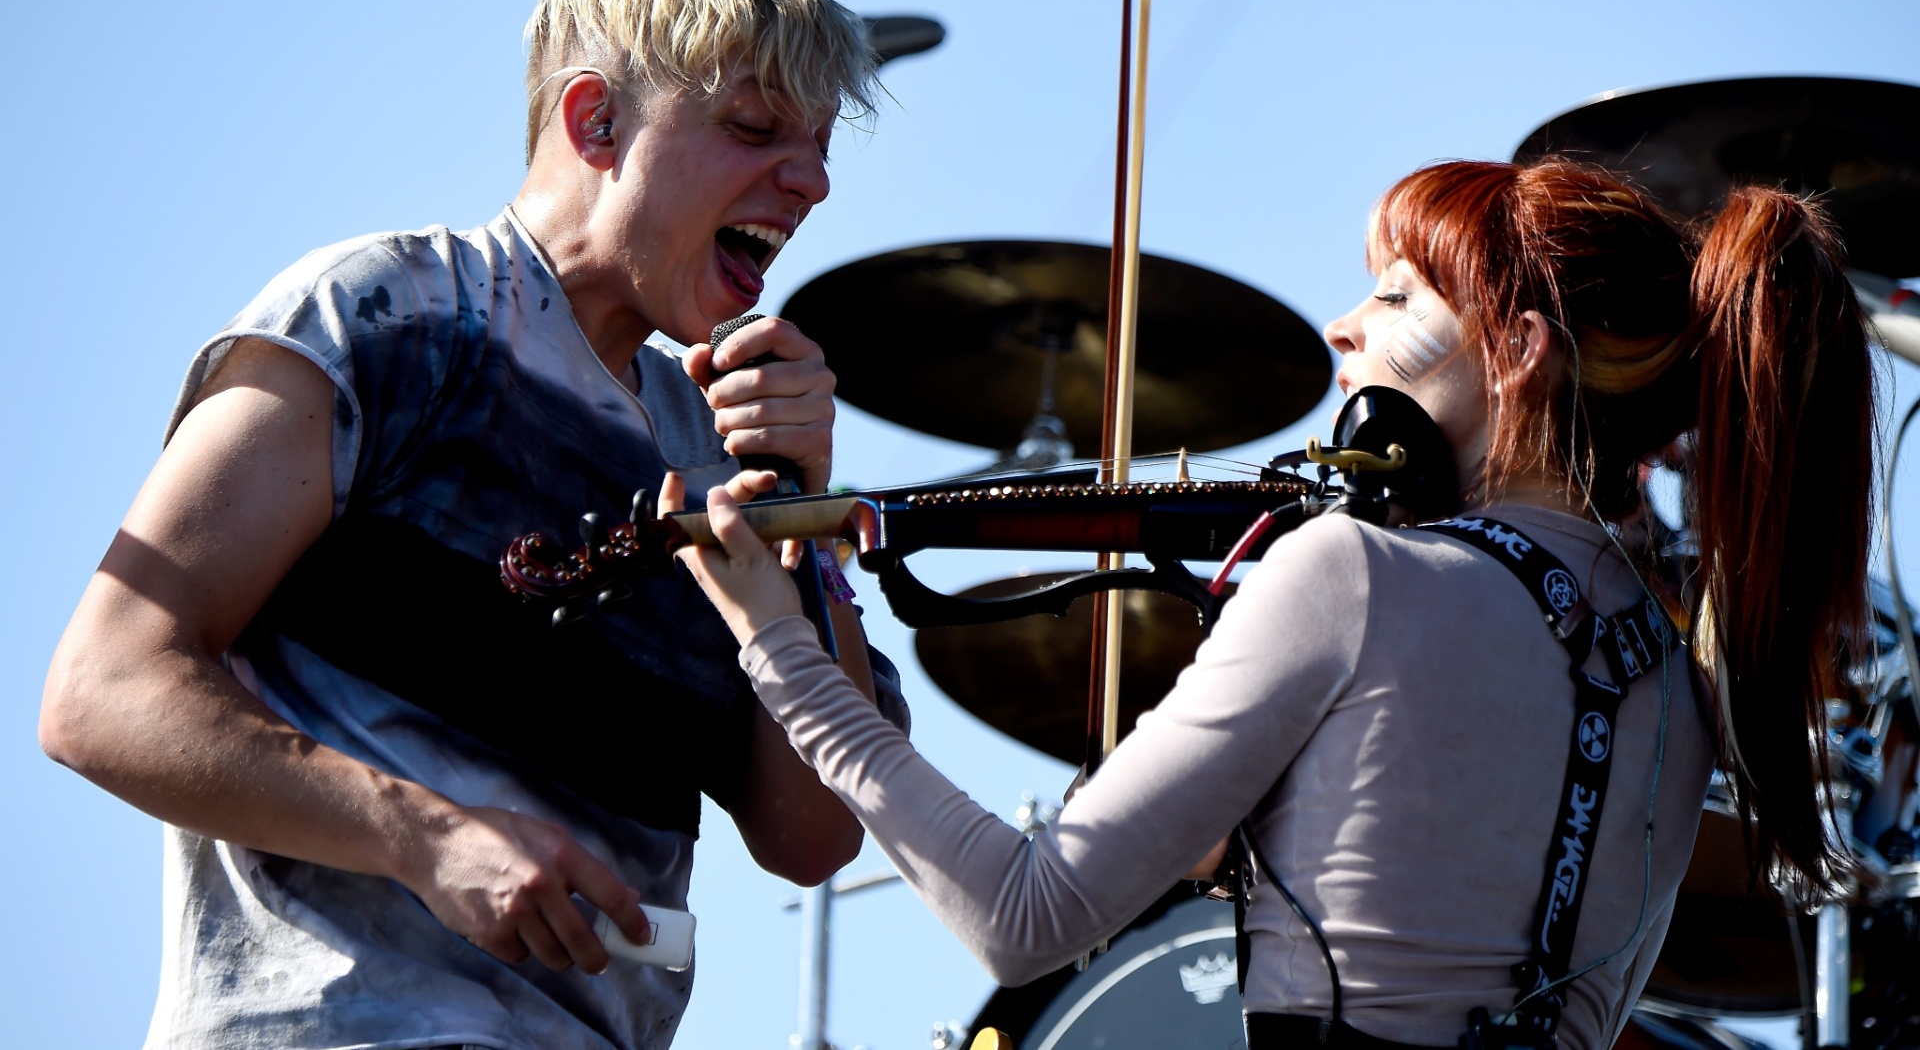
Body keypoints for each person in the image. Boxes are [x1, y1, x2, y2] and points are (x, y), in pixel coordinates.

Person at [672, 159, 1875, 1050]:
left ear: (1515, 349)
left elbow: (1023, 912)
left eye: (1400, 300)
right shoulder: (1685, 691)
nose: (1343, 327)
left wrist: (784, 649)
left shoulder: (1355, 572)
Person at [39, 0, 907, 1050]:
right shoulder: (386, 313)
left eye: (822, 146)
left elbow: (811, 835)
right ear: (595, 119)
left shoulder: (720, 448)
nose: (814, 181)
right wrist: (427, 834)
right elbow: (100, 689)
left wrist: (806, 516)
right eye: (755, 128)